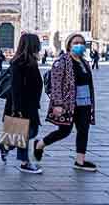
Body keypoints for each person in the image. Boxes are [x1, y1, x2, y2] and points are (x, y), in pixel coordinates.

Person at [34, 33, 97, 172]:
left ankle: (80, 161)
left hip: (85, 102)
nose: (79, 45)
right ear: (69, 45)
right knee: (64, 131)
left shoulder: (84, 62)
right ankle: (40, 144)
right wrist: (57, 103)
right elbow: (56, 84)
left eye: (81, 43)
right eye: (76, 43)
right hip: (68, 103)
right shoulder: (62, 61)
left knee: (83, 130)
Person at [0, 33, 43, 173]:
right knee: (24, 132)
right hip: (21, 105)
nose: (40, 45)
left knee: (30, 131)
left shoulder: (31, 61)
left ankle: (6, 146)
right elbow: (16, 88)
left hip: (30, 104)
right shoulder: (20, 63)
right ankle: (24, 162)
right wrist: (17, 109)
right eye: (38, 43)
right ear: (32, 45)